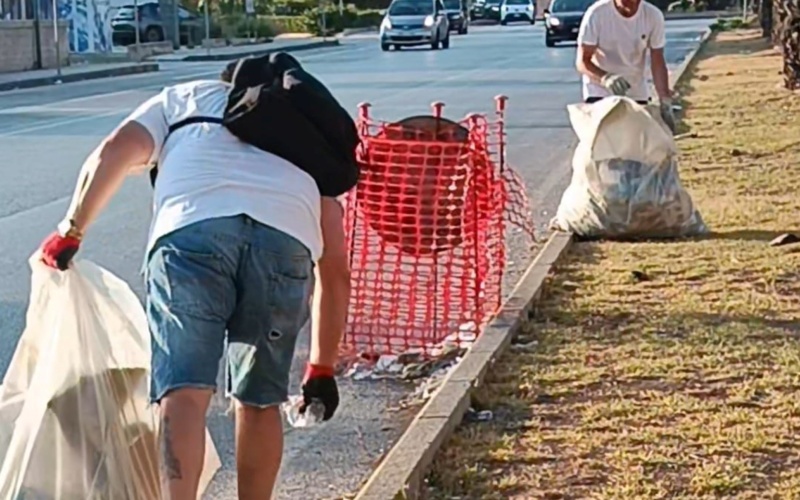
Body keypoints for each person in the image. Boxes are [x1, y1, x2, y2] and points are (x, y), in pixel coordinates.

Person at [37, 70, 352, 499]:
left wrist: (71, 231)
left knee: (183, 394)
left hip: (191, 235)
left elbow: (113, 152)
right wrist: (322, 367)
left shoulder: (183, 98)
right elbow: (334, 269)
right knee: (259, 401)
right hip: (284, 243)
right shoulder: (302, 133)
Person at [575, 0, 676, 132]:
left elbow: (657, 60)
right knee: (607, 143)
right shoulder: (597, 14)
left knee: (636, 144)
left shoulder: (653, 15)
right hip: (600, 92)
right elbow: (582, 62)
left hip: (635, 91)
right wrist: (606, 78)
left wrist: (664, 99)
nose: (632, 5)